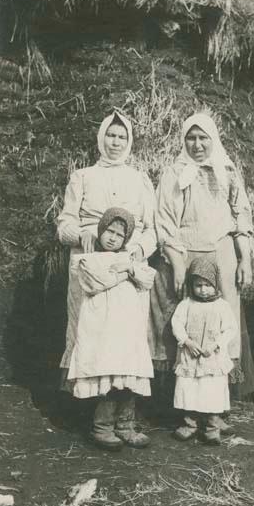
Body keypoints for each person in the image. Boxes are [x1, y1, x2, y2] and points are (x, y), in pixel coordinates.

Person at [149, 112, 254, 412]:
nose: (197, 145)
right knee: (183, 321)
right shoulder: (175, 173)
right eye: (191, 138)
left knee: (219, 323)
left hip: (221, 255)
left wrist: (244, 259)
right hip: (184, 254)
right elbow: (165, 221)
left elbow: (241, 216)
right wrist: (176, 261)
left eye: (203, 138)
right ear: (184, 141)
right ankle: (181, 406)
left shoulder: (228, 171)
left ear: (213, 139)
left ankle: (215, 407)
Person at [57, 110, 157, 437]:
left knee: (126, 343)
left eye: (122, 136)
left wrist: (138, 252)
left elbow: (151, 229)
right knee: (94, 339)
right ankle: (97, 422)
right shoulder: (83, 177)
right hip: (90, 263)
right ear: (102, 138)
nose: (116, 142)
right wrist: (81, 235)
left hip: (127, 266)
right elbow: (65, 224)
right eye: (111, 135)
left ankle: (125, 421)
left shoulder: (139, 179)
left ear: (130, 141)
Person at [62, 207, 155, 449]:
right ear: (101, 231)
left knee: (128, 374)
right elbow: (96, 282)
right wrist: (127, 273)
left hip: (126, 329)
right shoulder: (88, 257)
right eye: (109, 232)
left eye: (119, 235)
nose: (113, 238)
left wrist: (127, 268)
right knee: (108, 374)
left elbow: (147, 279)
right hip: (103, 329)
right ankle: (102, 427)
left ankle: (125, 425)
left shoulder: (129, 259)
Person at [172, 257, 237, 445]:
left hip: (212, 358)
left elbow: (230, 329)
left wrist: (216, 344)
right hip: (190, 356)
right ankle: (189, 424)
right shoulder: (186, 304)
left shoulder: (222, 306)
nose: (202, 289)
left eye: (207, 285)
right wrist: (186, 341)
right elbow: (176, 323)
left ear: (215, 284)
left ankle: (212, 427)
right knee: (188, 389)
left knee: (212, 391)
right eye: (198, 285)